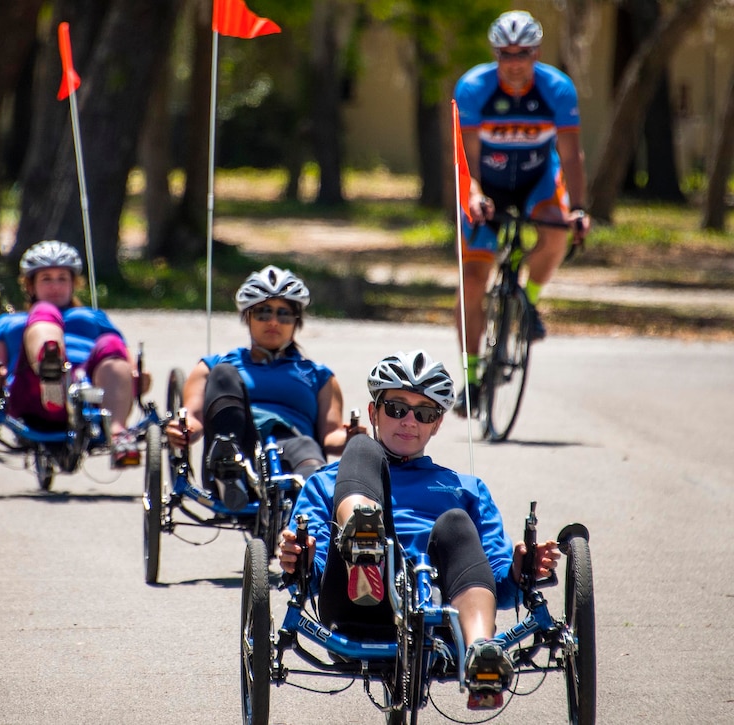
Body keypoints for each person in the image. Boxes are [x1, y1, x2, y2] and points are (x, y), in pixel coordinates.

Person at [278, 350, 561, 711]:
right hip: (359, 606)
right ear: (373, 412)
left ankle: (481, 655)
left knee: (455, 522)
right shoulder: (324, 483)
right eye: (396, 408)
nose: (409, 421)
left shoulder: (466, 488)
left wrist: (522, 569)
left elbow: (500, 584)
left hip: (444, 614)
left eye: (424, 413)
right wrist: (300, 558)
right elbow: (313, 574)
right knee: (362, 448)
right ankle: (364, 542)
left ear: (437, 424)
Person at [453, 10, 591, 414]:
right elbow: (466, 161)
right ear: (495, 53)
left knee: (556, 231)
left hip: (537, 181)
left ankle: (526, 303)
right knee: (474, 279)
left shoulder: (557, 89)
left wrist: (580, 208)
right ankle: (473, 378)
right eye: (505, 53)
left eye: (523, 53)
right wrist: (475, 196)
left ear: (537, 53)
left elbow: (570, 155)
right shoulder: (474, 88)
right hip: (487, 183)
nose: (514, 62)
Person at [165, 265, 359, 512]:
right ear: (247, 316)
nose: (274, 322)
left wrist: (352, 437)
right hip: (238, 445)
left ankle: (312, 502)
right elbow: (192, 416)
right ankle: (229, 474)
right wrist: (182, 430)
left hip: (294, 444)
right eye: (263, 313)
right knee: (223, 373)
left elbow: (330, 435)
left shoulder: (320, 376)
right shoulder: (213, 365)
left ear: (296, 321)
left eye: (284, 314)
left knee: (308, 449)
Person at [0, 240, 146, 468]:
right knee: (44, 311)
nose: (55, 286)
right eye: (46, 278)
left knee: (110, 342)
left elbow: (128, 367)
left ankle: (118, 434)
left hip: (89, 391)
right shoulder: (9, 322)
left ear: (73, 283)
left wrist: (137, 378)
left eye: (62, 278)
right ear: (30, 285)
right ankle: (50, 367)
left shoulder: (93, 316)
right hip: (32, 388)